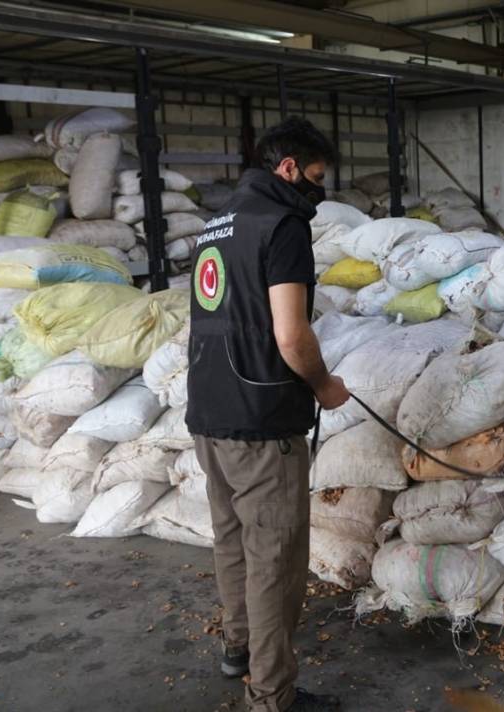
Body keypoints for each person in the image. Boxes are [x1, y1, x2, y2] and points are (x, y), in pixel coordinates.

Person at [186, 117, 350, 712]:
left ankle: (238, 649)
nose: (318, 189)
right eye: (314, 176)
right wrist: (324, 385)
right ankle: (272, 695)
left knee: (231, 539)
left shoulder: (215, 223)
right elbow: (291, 333)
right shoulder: (282, 225)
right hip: (261, 418)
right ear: (287, 168)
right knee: (274, 559)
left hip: (208, 407)